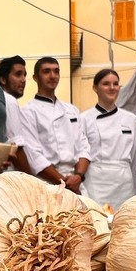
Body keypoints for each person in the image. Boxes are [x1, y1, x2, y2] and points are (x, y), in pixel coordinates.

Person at [0, 55, 73, 188]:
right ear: (3, 79)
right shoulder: (10, 102)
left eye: (24, 75)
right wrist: (31, 184)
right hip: (15, 179)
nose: (23, 80)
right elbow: (18, 150)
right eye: (18, 75)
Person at [22, 57, 91, 194]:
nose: (52, 76)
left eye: (56, 71)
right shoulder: (28, 112)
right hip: (46, 183)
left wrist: (78, 176)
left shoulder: (71, 110)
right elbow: (34, 156)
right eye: (46, 71)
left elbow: (84, 148)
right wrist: (64, 183)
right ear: (36, 77)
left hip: (75, 182)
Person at [81, 69, 136, 210]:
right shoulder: (84, 119)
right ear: (95, 88)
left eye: (115, 84)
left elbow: (135, 155)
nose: (112, 88)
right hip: (96, 180)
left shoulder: (131, 119)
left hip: (123, 181)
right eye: (106, 84)